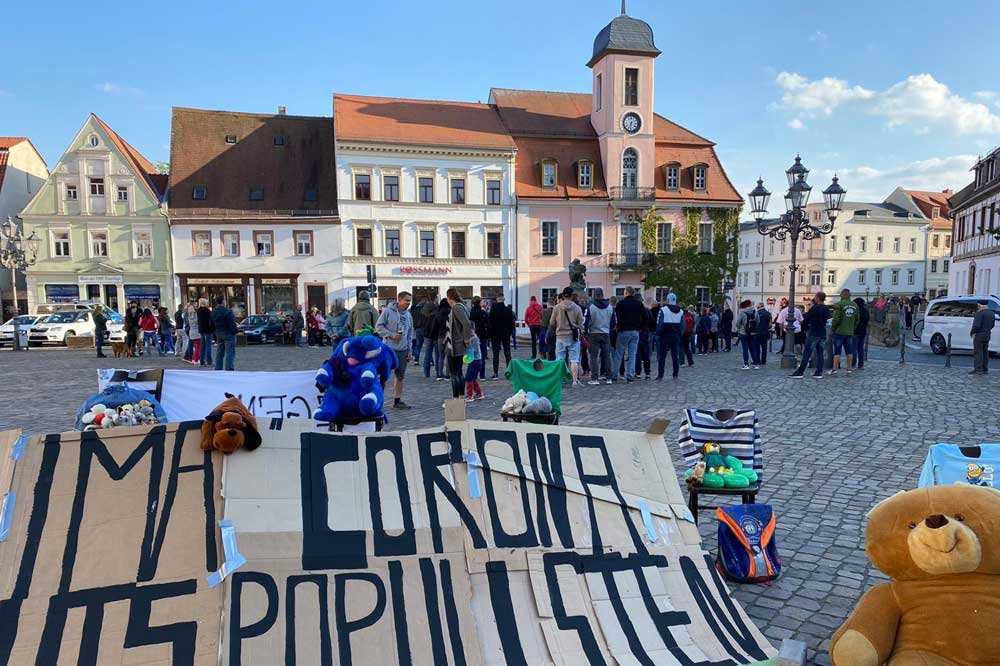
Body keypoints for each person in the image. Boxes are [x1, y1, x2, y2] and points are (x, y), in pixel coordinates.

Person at [376, 291, 415, 408]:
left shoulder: (408, 315)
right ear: (399, 300)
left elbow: (409, 334)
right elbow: (378, 327)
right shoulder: (388, 311)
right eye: (406, 300)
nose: (408, 303)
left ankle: (397, 400)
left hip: (403, 350)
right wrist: (391, 335)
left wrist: (410, 351)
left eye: (409, 301)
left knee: (400, 376)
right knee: (383, 376)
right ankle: (378, 400)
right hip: (389, 349)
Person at [790, 292, 831, 378]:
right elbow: (827, 319)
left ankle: (800, 372)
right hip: (822, 332)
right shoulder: (826, 308)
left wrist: (804, 326)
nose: (814, 298)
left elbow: (806, 319)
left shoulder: (814, 308)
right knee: (820, 353)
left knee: (807, 352)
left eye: (815, 297)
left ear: (818, 298)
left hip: (814, 332)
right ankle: (819, 372)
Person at [611, 287, 647, 383]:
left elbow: (617, 317)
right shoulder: (639, 304)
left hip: (623, 330)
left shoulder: (621, 304)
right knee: (632, 354)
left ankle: (614, 375)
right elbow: (645, 317)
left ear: (626, 293)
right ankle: (630, 376)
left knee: (619, 353)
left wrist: (618, 327)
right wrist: (641, 327)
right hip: (635, 331)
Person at [551, 287, 585, 386]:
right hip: (573, 337)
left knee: (559, 360)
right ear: (572, 296)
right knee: (574, 360)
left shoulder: (556, 308)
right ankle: (575, 381)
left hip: (560, 336)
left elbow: (552, 322)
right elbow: (581, 323)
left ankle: (559, 380)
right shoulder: (577, 308)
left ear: (562, 296)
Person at [445, 289, 473, 399]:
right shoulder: (462, 306)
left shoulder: (456, 308)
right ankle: (460, 397)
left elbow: (466, 323)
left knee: (454, 373)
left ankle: (456, 398)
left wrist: (466, 339)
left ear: (449, 298)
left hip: (455, 344)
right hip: (457, 343)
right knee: (459, 372)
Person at [585, 288, 614, 385]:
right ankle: (609, 377)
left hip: (594, 333)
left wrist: (586, 332)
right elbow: (613, 322)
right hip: (606, 333)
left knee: (594, 357)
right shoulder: (610, 307)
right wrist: (609, 331)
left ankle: (595, 378)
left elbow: (586, 321)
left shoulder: (591, 307)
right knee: (607, 356)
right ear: (602, 294)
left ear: (595, 295)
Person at [829, 289, 860, 375]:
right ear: (849, 295)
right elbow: (857, 319)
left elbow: (836, 319)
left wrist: (833, 329)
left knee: (837, 351)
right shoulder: (855, 305)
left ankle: (834, 369)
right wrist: (852, 327)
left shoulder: (839, 304)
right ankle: (849, 369)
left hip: (839, 331)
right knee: (849, 351)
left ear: (842, 295)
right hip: (849, 332)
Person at [656, 293, 684, 379]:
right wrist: (679, 334)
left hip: (665, 335)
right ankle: (675, 374)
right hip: (675, 335)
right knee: (675, 356)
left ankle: (660, 374)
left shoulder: (663, 310)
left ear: (667, 300)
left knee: (662, 356)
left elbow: (659, 324)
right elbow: (683, 326)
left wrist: (658, 334)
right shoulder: (681, 311)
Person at [488, 294, 515, 379]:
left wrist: (490, 334)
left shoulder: (493, 310)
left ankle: (495, 373)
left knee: (495, 355)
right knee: (507, 354)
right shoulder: (508, 310)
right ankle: (509, 372)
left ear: (497, 299)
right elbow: (511, 323)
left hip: (495, 335)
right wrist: (509, 333)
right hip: (505, 334)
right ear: (504, 299)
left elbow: (490, 324)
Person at [212, 295, 238, 371]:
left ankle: (218, 368)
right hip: (228, 333)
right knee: (230, 352)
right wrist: (235, 331)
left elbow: (211, 324)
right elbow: (232, 324)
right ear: (223, 301)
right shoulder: (227, 312)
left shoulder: (213, 312)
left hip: (218, 332)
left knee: (219, 352)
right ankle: (229, 368)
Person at [419, 298, 443, 379]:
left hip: (426, 334)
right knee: (437, 354)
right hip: (435, 335)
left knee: (428, 353)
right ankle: (438, 372)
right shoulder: (436, 313)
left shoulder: (422, 312)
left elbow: (421, 323)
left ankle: (426, 372)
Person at [970, 299, 995, 375]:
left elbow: (976, 325)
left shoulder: (980, 313)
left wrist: (972, 332)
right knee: (985, 352)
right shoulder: (991, 313)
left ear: (979, 305)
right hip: (987, 334)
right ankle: (985, 369)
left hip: (979, 334)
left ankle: (978, 369)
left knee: (978, 352)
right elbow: (992, 325)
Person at [469, 296, 490, 380]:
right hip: (482, 336)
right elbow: (488, 324)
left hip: (472, 336)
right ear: (479, 302)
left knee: (471, 355)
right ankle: (482, 374)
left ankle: (471, 373)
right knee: (482, 355)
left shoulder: (470, 313)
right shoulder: (483, 313)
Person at [735, 300, 760, 370]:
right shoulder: (755, 312)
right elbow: (758, 321)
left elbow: (737, 323)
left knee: (745, 349)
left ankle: (746, 365)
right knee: (753, 348)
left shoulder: (742, 312)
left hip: (743, 332)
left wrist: (740, 329)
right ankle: (756, 364)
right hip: (753, 333)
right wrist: (754, 328)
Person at [464, 332, 485, 401]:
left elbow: (474, 350)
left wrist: (466, 347)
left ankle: (470, 396)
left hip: (475, 360)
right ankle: (479, 393)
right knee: (473, 378)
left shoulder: (474, 338)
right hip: (475, 360)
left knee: (468, 378)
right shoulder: (473, 338)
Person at [852, 297, 870, 370]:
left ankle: (853, 364)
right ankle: (861, 364)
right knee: (860, 349)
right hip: (863, 331)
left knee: (853, 348)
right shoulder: (866, 311)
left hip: (855, 331)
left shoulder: (855, 311)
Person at [197, 298, 214, 366]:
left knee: (203, 346)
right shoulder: (207, 311)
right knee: (208, 346)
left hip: (202, 331)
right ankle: (209, 362)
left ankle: (202, 361)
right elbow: (210, 321)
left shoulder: (198, 311)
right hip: (208, 330)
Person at [410, 296, 426, 364]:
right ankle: (430, 361)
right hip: (425, 328)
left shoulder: (415, 309)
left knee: (418, 345)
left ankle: (416, 360)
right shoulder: (425, 309)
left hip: (417, 328)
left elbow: (412, 318)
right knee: (428, 346)